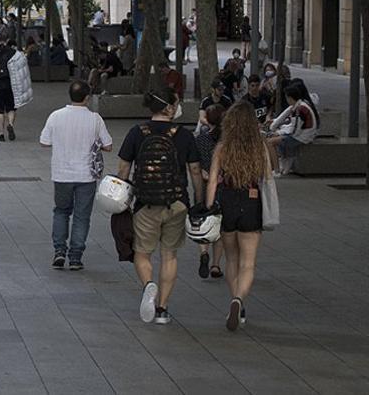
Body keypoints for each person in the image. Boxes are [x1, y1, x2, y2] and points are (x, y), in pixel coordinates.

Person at [116, 85, 204, 325]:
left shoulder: (137, 132)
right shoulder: (184, 135)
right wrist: (199, 200)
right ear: (169, 107)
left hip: (146, 204)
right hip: (177, 202)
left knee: (142, 253)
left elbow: (123, 169)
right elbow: (195, 171)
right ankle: (163, 309)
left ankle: (148, 285)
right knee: (169, 255)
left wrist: (122, 197)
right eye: (175, 104)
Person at [206, 100, 275, 332]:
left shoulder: (223, 147)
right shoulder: (259, 147)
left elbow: (213, 181)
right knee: (248, 262)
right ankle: (239, 300)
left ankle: (235, 300)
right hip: (251, 201)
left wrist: (209, 208)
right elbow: (267, 174)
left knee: (232, 259)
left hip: (227, 201)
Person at [39, 80, 113, 269]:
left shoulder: (56, 116)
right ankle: (75, 257)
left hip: (61, 174)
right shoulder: (95, 119)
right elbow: (108, 145)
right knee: (82, 216)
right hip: (86, 176)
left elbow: (44, 142)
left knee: (61, 211)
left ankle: (59, 251)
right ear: (87, 98)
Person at [194, 103, 227, 279]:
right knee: (220, 226)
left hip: (205, 185)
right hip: (223, 186)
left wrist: (203, 173)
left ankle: (203, 252)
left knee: (204, 221)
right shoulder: (228, 140)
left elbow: (194, 165)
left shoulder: (200, 139)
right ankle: (215, 265)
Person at [267, 80, 320, 175]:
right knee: (277, 138)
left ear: (290, 98)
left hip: (301, 137)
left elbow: (294, 131)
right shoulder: (302, 105)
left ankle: (277, 170)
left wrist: (279, 133)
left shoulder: (299, 109)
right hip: (304, 135)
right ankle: (284, 162)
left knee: (270, 142)